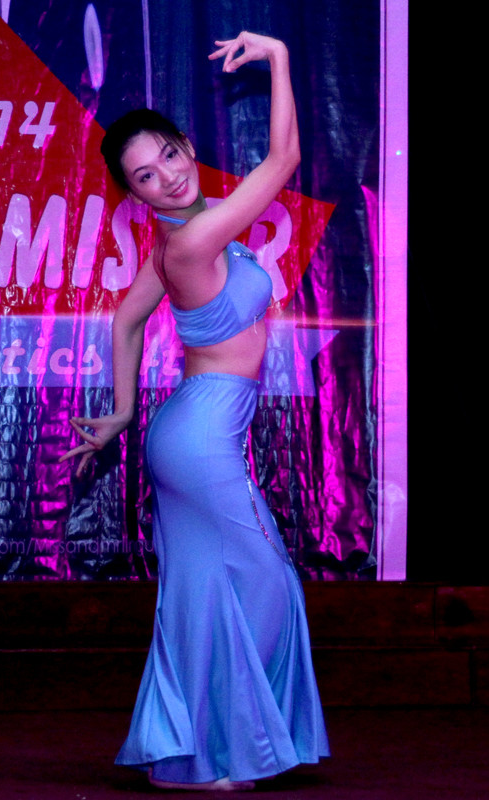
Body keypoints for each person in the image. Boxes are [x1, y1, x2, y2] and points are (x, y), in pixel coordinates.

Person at [60, 31, 329, 791]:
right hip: (203, 436)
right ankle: (225, 750)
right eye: (145, 176)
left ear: (184, 146)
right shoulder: (190, 243)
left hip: (193, 429)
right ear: (134, 194)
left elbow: (126, 321)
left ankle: (201, 754)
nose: (168, 178)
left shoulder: (177, 238)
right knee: (266, 583)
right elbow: (282, 161)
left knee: (210, 594)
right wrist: (280, 57)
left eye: (170, 157)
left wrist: (122, 413)